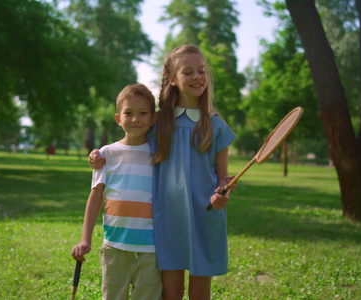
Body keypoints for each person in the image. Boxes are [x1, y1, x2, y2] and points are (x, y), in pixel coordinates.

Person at [90, 45, 237, 300]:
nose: (197, 77)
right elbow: (129, 139)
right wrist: (98, 155)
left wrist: (223, 192)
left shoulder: (216, 125)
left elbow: (223, 179)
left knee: (200, 293)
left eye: (201, 71)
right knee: (171, 294)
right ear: (172, 79)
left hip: (205, 217)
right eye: (188, 72)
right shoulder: (159, 123)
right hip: (167, 219)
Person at [71, 84, 162, 300]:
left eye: (143, 113)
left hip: (151, 249)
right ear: (118, 118)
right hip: (114, 247)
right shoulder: (106, 154)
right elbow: (95, 200)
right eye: (128, 113)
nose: (135, 119)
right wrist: (86, 240)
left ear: (153, 118)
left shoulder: (160, 155)